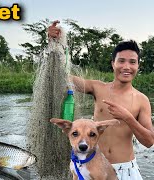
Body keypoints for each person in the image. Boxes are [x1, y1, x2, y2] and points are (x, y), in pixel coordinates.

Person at [48, 21, 154, 179]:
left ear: (138, 66)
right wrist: (54, 45)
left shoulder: (142, 100)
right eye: (121, 61)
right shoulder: (97, 88)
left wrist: (127, 117)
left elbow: (149, 141)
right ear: (113, 64)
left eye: (132, 62)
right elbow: (64, 77)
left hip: (127, 170)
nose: (126, 66)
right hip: (92, 166)